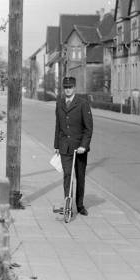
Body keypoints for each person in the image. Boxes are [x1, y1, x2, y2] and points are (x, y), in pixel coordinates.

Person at [54, 76, 93, 216]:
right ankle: (68, 207)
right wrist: (56, 145)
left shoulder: (83, 103)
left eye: (70, 87)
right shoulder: (59, 103)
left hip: (79, 149)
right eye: (65, 87)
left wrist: (84, 145)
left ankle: (80, 205)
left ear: (74, 88)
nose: (68, 90)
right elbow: (58, 126)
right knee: (67, 176)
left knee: (80, 176)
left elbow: (88, 128)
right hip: (64, 146)